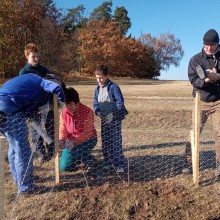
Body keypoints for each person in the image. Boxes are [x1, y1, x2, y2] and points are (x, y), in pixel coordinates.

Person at [0, 73, 65, 194]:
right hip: (9, 109)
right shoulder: (41, 82)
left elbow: (34, 120)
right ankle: (26, 187)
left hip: (3, 108)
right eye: (59, 81)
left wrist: (49, 139)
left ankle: (19, 179)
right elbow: (57, 88)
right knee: (22, 150)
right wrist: (63, 102)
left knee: (14, 148)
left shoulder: (30, 85)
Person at [185, 29, 220, 178]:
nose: (209, 47)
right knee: (195, 132)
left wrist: (217, 76)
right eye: (206, 44)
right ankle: (188, 162)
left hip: (219, 101)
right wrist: (207, 80)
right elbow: (194, 80)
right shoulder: (196, 60)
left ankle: (219, 165)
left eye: (212, 44)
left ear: (217, 44)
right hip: (201, 101)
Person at [19, 43, 55, 162]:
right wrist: (27, 111)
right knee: (37, 131)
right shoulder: (23, 73)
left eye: (37, 56)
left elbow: (50, 86)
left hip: (46, 105)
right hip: (33, 108)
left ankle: (51, 151)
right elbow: (23, 94)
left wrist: (51, 104)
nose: (36, 59)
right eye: (33, 56)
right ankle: (40, 153)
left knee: (50, 128)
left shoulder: (44, 70)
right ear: (26, 56)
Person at [93, 65, 128, 173]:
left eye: (101, 77)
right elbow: (95, 103)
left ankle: (119, 164)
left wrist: (112, 114)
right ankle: (109, 163)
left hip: (115, 119)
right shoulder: (97, 88)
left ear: (107, 76)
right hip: (104, 119)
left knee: (115, 141)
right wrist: (98, 112)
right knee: (106, 141)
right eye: (97, 77)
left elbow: (120, 102)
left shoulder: (114, 87)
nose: (99, 80)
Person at [59, 87, 97, 172]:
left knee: (66, 165)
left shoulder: (88, 112)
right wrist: (61, 140)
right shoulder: (64, 112)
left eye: (71, 104)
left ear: (77, 103)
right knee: (64, 167)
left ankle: (89, 159)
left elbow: (88, 133)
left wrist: (75, 142)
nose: (69, 107)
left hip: (89, 140)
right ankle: (84, 158)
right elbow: (63, 128)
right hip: (70, 142)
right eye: (67, 104)